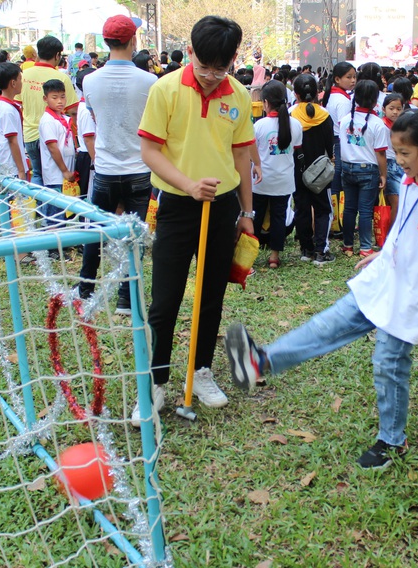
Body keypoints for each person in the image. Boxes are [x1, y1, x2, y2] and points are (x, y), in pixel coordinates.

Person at [224, 109, 418, 469]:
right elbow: (406, 230)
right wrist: (384, 253)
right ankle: (260, 361)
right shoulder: (413, 182)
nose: (399, 162)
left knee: (388, 364)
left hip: (410, 295)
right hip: (382, 280)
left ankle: (392, 441)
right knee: (326, 326)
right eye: (396, 154)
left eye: (405, 154)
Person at [138, 16, 255, 417]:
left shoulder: (238, 94)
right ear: (190, 52)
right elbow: (150, 151)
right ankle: (155, 381)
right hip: (177, 206)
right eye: (204, 65)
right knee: (165, 299)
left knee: (210, 296)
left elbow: (240, 155)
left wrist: (247, 212)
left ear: (232, 61)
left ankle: (201, 370)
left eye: (219, 68)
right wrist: (188, 185)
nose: (209, 75)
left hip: (221, 209)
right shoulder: (165, 89)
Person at [78, 14, 157, 316]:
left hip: (106, 170)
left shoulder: (89, 80)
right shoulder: (150, 82)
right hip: (139, 169)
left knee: (94, 234)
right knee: (133, 238)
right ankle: (127, 298)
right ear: (133, 41)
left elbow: (96, 117)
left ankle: (85, 290)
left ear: (106, 42)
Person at [251, 80, 303, 268]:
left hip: (261, 180)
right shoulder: (296, 125)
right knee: (278, 217)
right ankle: (274, 257)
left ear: (265, 103)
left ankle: (250, 257)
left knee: (255, 217)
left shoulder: (259, 126)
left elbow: (252, 152)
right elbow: (296, 149)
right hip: (284, 180)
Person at [20, 35, 78, 187]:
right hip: (55, 135)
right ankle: (52, 209)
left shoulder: (24, 76)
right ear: (57, 55)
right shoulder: (62, 78)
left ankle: (38, 209)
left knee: (38, 174)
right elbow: (72, 110)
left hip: (30, 135)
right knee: (56, 177)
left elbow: (18, 105)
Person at [340, 79, 388, 258]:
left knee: (350, 208)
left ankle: (347, 245)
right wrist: (384, 174)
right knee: (366, 210)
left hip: (347, 168)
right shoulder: (378, 124)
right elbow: (381, 154)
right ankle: (365, 247)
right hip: (368, 170)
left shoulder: (345, 120)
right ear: (376, 101)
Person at [290, 73, 334, 264]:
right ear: (317, 93)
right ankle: (320, 252)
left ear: (296, 94)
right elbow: (330, 146)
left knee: (301, 208)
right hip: (320, 173)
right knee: (323, 209)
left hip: (295, 169)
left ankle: (305, 250)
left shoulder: (290, 114)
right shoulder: (325, 115)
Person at [322, 62, 357, 234]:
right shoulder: (343, 100)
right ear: (337, 79)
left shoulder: (332, 96)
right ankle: (336, 224)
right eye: (348, 77)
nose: (352, 81)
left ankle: (335, 222)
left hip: (333, 141)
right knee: (337, 183)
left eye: (354, 77)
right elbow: (345, 127)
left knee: (335, 182)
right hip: (339, 142)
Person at [38, 79, 76, 231]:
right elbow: (53, 147)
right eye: (54, 97)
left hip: (65, 175)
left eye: (62, 96)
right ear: (45, 99)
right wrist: (65, 170)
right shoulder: (47, 121)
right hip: (56, 174)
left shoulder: (64, 118)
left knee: (64, 210)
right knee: (55, 213)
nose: (60, 101)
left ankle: (61, 243)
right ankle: (53, 247)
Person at [0, 62, 27, 181]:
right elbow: (12, 141)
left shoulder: (7, 106)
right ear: (13, 83)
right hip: (10, 167)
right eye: (20, 79)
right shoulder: (7, 110)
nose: (22, 83)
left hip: (9, 164)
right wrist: (21, 170)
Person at [382, 92, 405, 226]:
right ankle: (391, 236)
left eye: (398, 109)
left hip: (400, 165)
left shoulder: (402, 126)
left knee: (397, 202)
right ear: (384, 109)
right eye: (391, 108)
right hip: (389, 165)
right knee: (395, 203)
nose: (395, 112)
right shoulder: (382, 125)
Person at [73, 67, 96, 201]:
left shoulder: (84, 105)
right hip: (88, 156)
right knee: (89, 195)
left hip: (87, 155)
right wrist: (97, 162)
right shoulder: (87, 110)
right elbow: (89, 139)